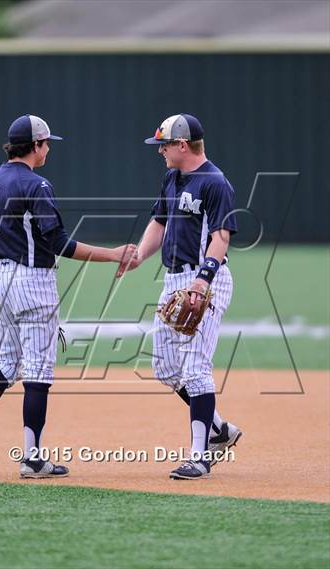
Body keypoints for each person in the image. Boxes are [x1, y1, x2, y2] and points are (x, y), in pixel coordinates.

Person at [0, 114, 137, 479]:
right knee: (37, 371)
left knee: (6, 361)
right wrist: (113, 254)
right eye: (47, 142)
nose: (49, 148)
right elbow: (58, 243)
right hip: (31, 280)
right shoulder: (36, 184)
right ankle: (33, 458)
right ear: (35, 145)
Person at [117, 114, 242, 479]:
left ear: (183, 146)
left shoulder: (215, 183)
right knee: (167, 368)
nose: (161, 151)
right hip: (174, 281)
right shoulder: (173, 177)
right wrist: (140, 255)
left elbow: (221, 236)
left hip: (205, 279)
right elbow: (160, 221)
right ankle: (219, 429)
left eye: (164, 145)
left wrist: (203, 280)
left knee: (196, 368)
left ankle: (200, 457)